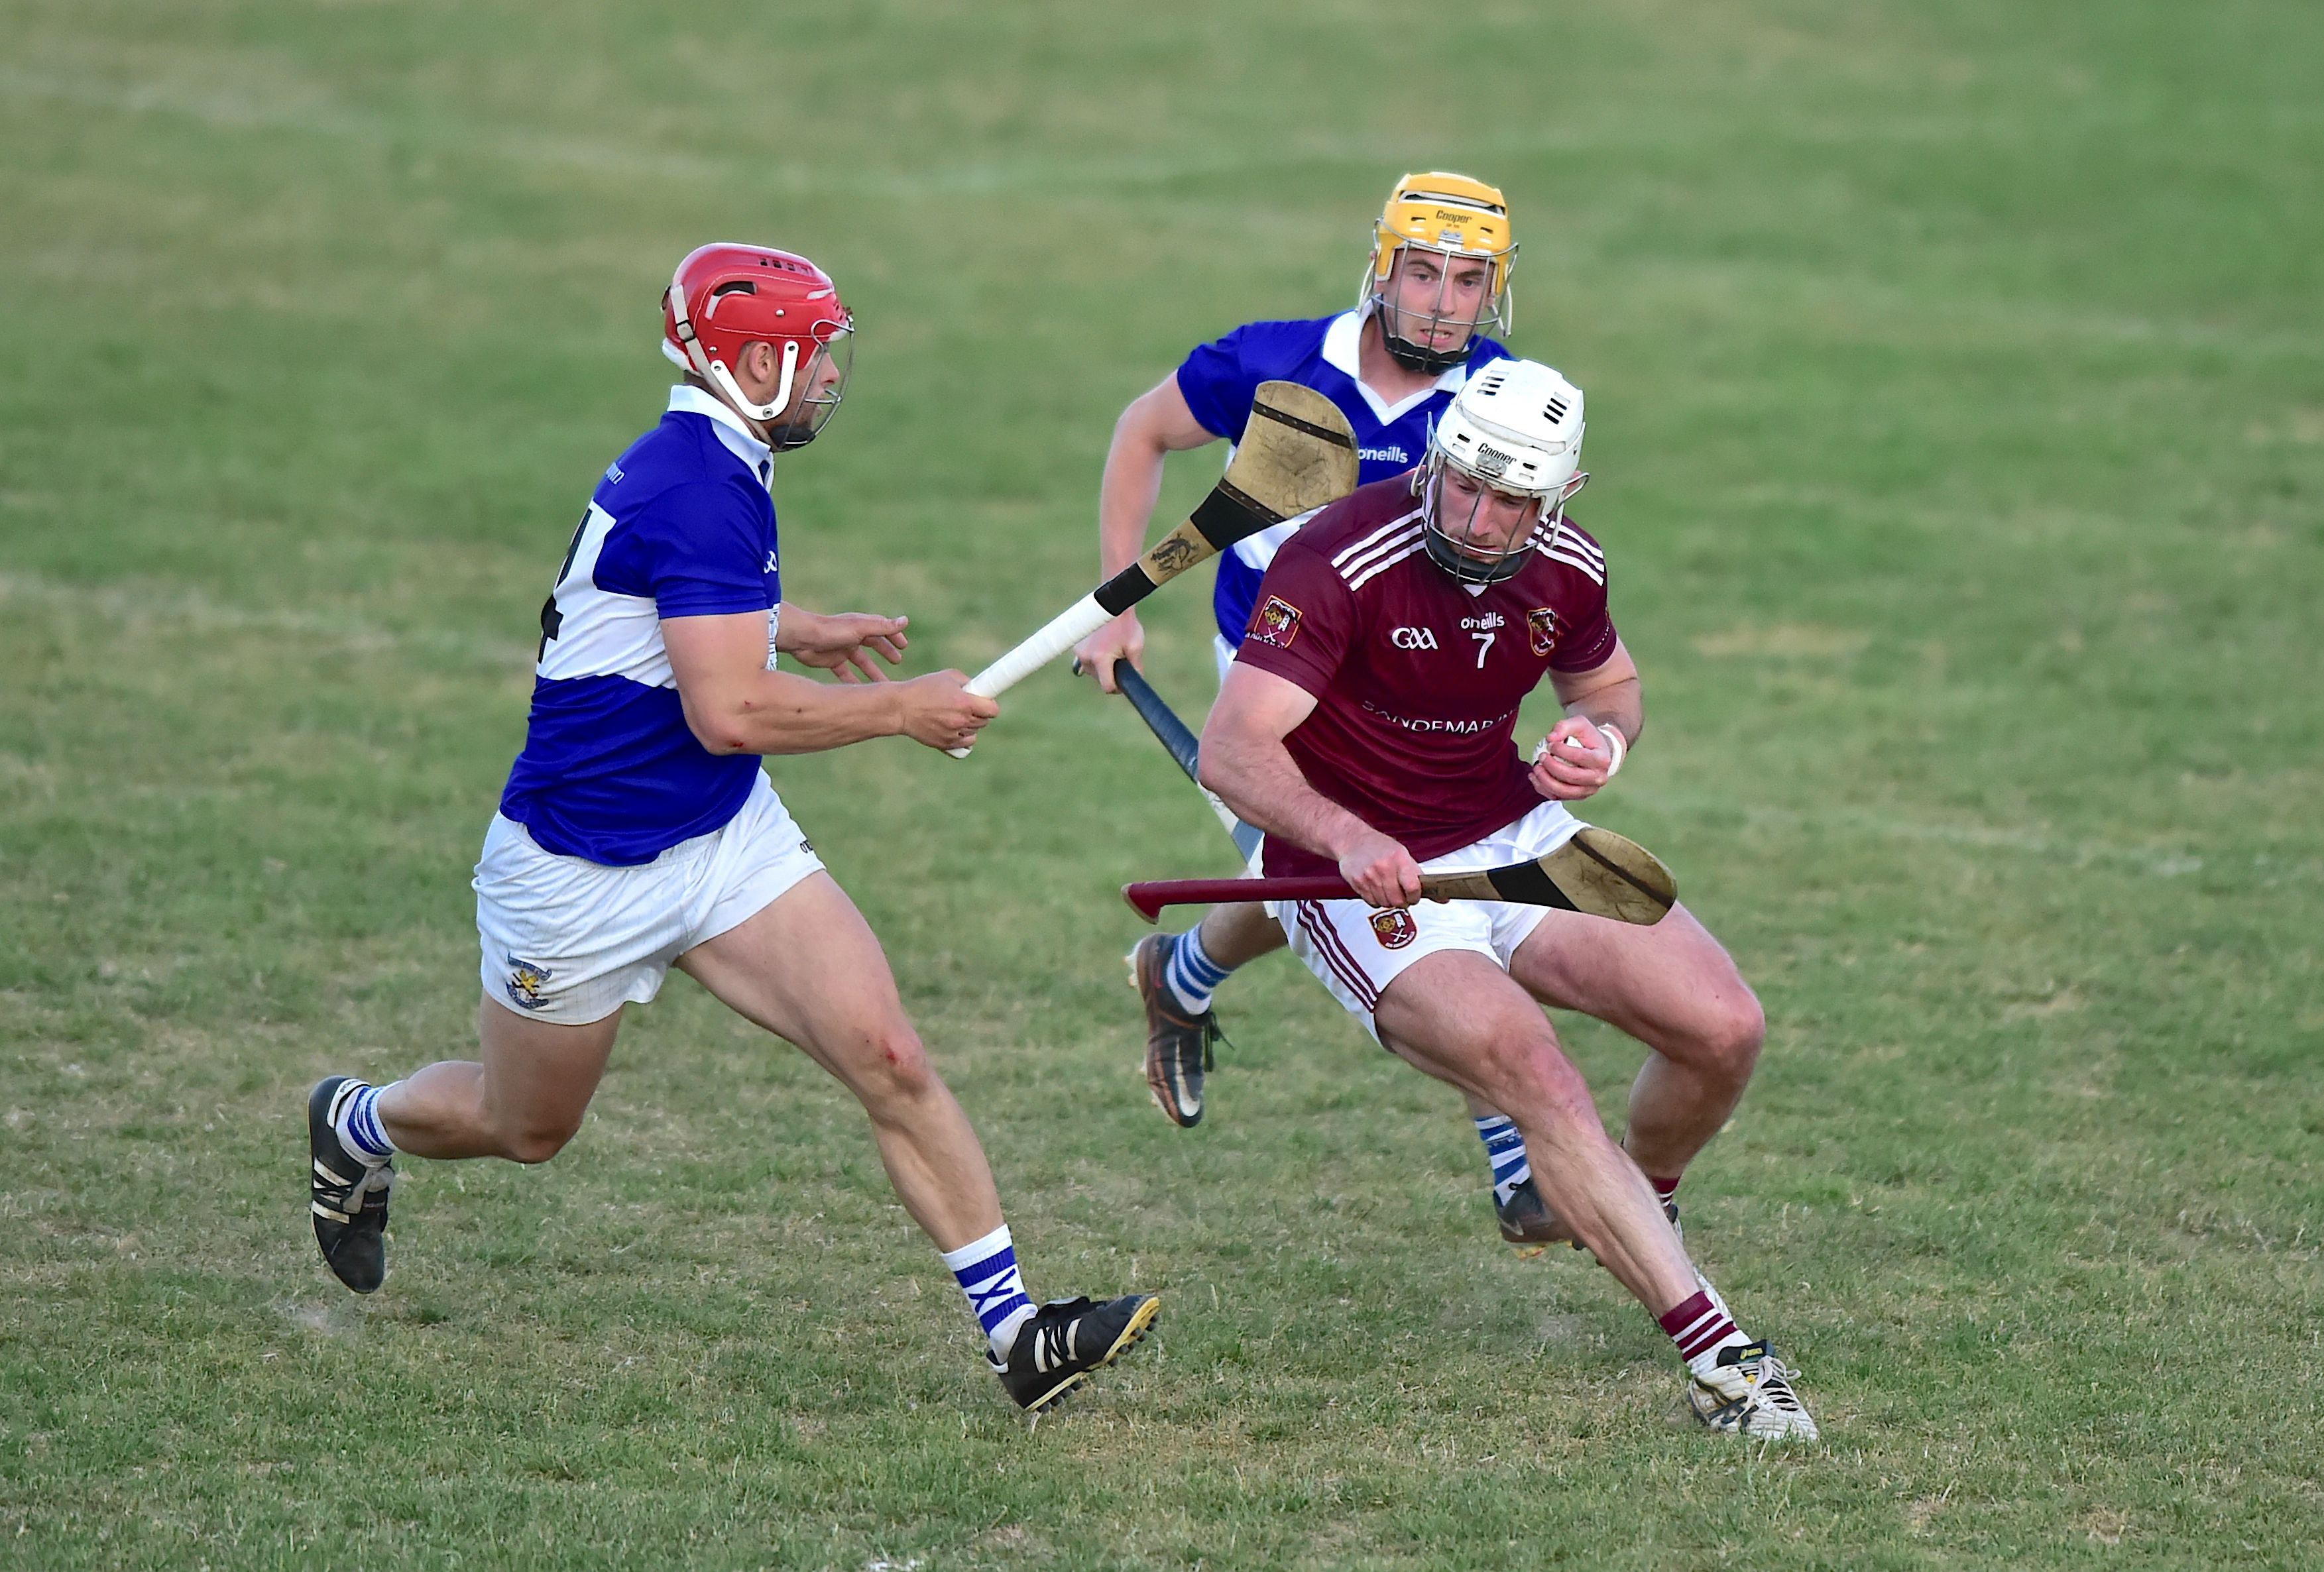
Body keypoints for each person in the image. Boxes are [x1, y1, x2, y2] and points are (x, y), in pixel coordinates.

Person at [306, 243, 1157, 1413]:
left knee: (890, 1057)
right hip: (578, 872)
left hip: (718, 841)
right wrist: (897, 708)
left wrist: (787, 623)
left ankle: (1014, 1331)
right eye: (812, 361)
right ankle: (356, 1122)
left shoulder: (716, 459)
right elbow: (726, 711)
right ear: (752, 361)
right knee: (525, 1127)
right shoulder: (696, 483)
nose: (825, 382)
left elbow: (680, 607)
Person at [1196, 358, 1816, 1437]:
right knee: (1537, 1075)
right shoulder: (1336, 556)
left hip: (1510, 828)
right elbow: (1233, 752)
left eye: (1512, 500)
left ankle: (1641, 1199)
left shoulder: (1568, 564)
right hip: (1356, 876)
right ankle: (1720, 1361)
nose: (1479, 520)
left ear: (1560, 498)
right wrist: (1345, 835)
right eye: (1465, 485)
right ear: (1439, 462)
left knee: (1723, 1028)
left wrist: (1598, 741)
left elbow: (1608, 686)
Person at [1073, 172, 1563, 1245]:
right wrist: (1117, 602)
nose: (1441, 301)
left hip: (1422, 693)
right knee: (1387, 896)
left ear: (1496, 292)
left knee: (1319, 883)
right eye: (1421, 271)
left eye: (1468, 279)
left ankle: (1180, 970)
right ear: (1380, 267)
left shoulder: (1508, 398)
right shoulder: (1272, 363)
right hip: (1278, 688)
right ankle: (1519, 1162)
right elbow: (1141, 432)